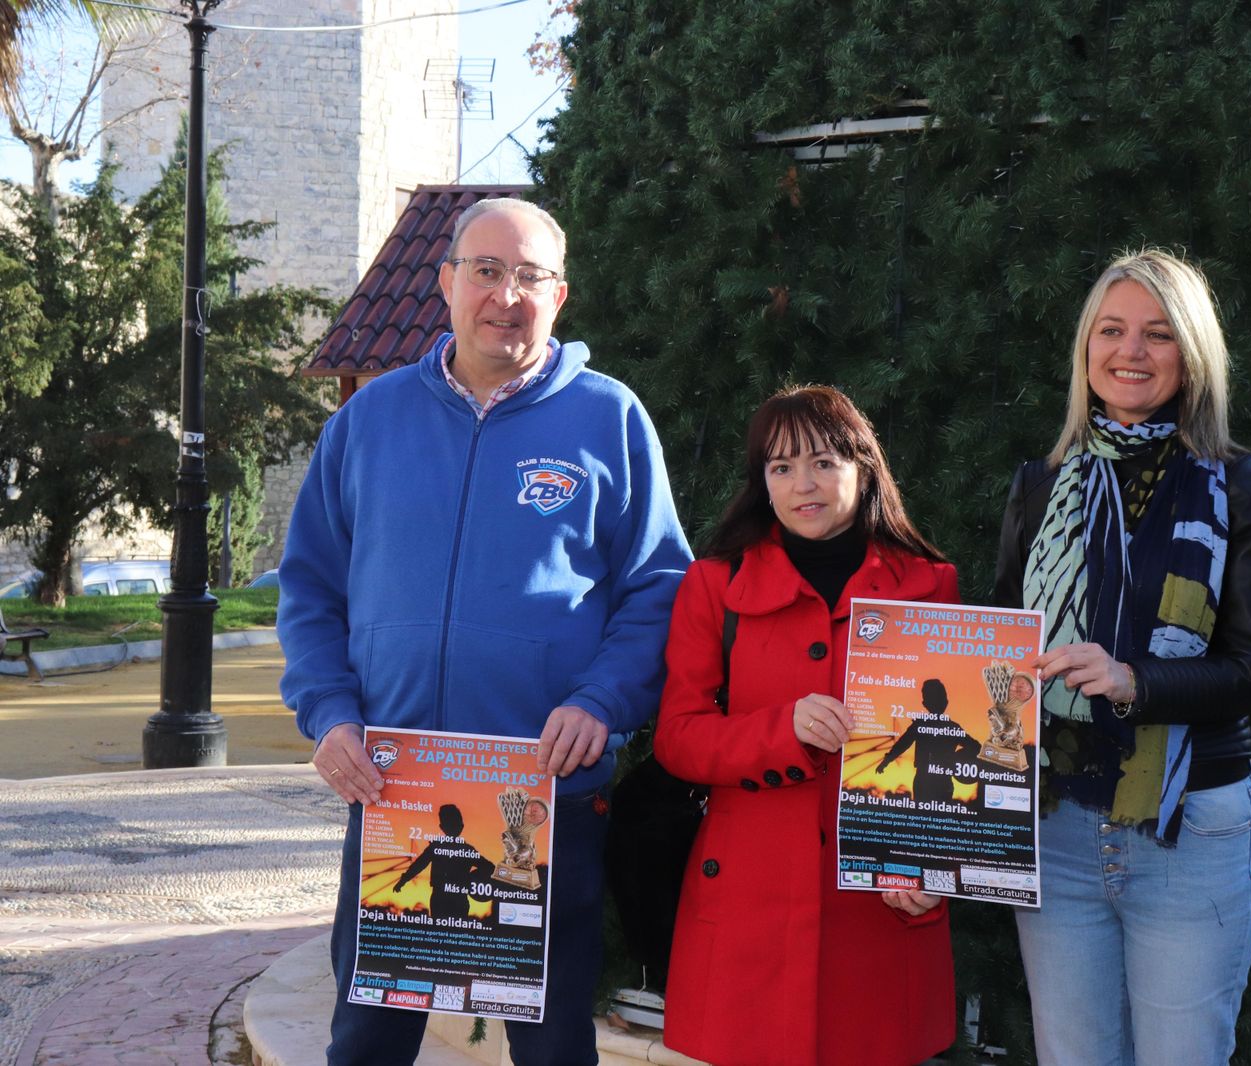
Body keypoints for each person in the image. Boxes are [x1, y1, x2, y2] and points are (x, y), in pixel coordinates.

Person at [277, 197, 692, 1066]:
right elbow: (312, 588)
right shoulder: (369, 420)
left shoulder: (610, 420)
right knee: (366, 1044)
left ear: (561, 295)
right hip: (394, 792)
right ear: (445, 283)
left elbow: (659, 587)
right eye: (487, 271)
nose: (507, 294)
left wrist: (602, 701)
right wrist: (329, 714)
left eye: (530, 276)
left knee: (550, 1048)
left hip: (540, 798)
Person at [993, 250, 1251, 1065]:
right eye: (1112, 330)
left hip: (1189, 828)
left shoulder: (1237, 484)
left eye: (1158, 334)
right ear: (1086, 348)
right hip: (1055, 828)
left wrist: (1136, 681)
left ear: (1192, 354)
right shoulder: (1039, 484)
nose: (1131, 351)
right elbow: (993, 658)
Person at [654, 385, 959, 1066]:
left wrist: (933, 865)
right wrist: (780, 729)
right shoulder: (712, 585)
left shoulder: (930, 585)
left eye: (823, 461)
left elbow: (947, 753)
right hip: (749, 902)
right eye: (781, 467)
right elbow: (677, 738)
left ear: (863, 466)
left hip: (880, 901)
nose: (803, 485)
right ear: (762, 482)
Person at [874, 678, 981, 803]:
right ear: (945, 702)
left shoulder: (922, 726)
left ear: (925, 703)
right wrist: (958, 760)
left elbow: (902, 744)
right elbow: (975, 747)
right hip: (937, 781)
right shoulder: (950, 728)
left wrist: (886, 761)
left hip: (928, 780)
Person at [393, 804, 492, 920]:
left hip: (449, 898)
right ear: (461, 826)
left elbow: (419, 865)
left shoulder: (448, 848)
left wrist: (472, 879)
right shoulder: (464, 850)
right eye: (451, 824)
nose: (453, 827)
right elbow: (419, 864)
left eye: (454, 823)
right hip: (449, 898)